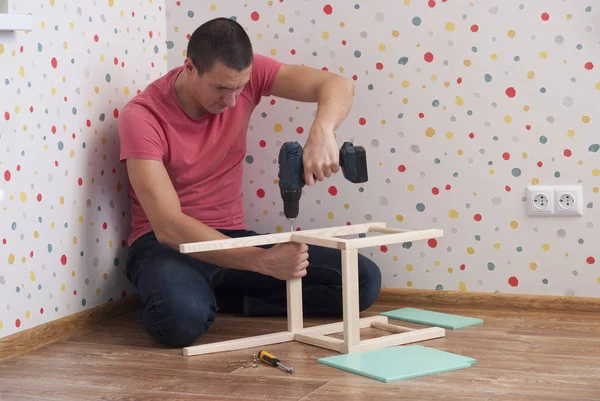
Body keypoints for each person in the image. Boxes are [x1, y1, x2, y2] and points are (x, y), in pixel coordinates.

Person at [117, 17, 382, 348]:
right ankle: (193, 296)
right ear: (189, 67)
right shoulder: (142, 117)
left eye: (239, 88)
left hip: (232, 237)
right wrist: (261, 261)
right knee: (178, 322)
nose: (231, 101)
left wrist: (322, 131)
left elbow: (338, 84)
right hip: (167, 246)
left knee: (363, 280)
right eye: (221, 89)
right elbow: (169, 226)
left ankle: (218, 298)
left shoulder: (249, 74)